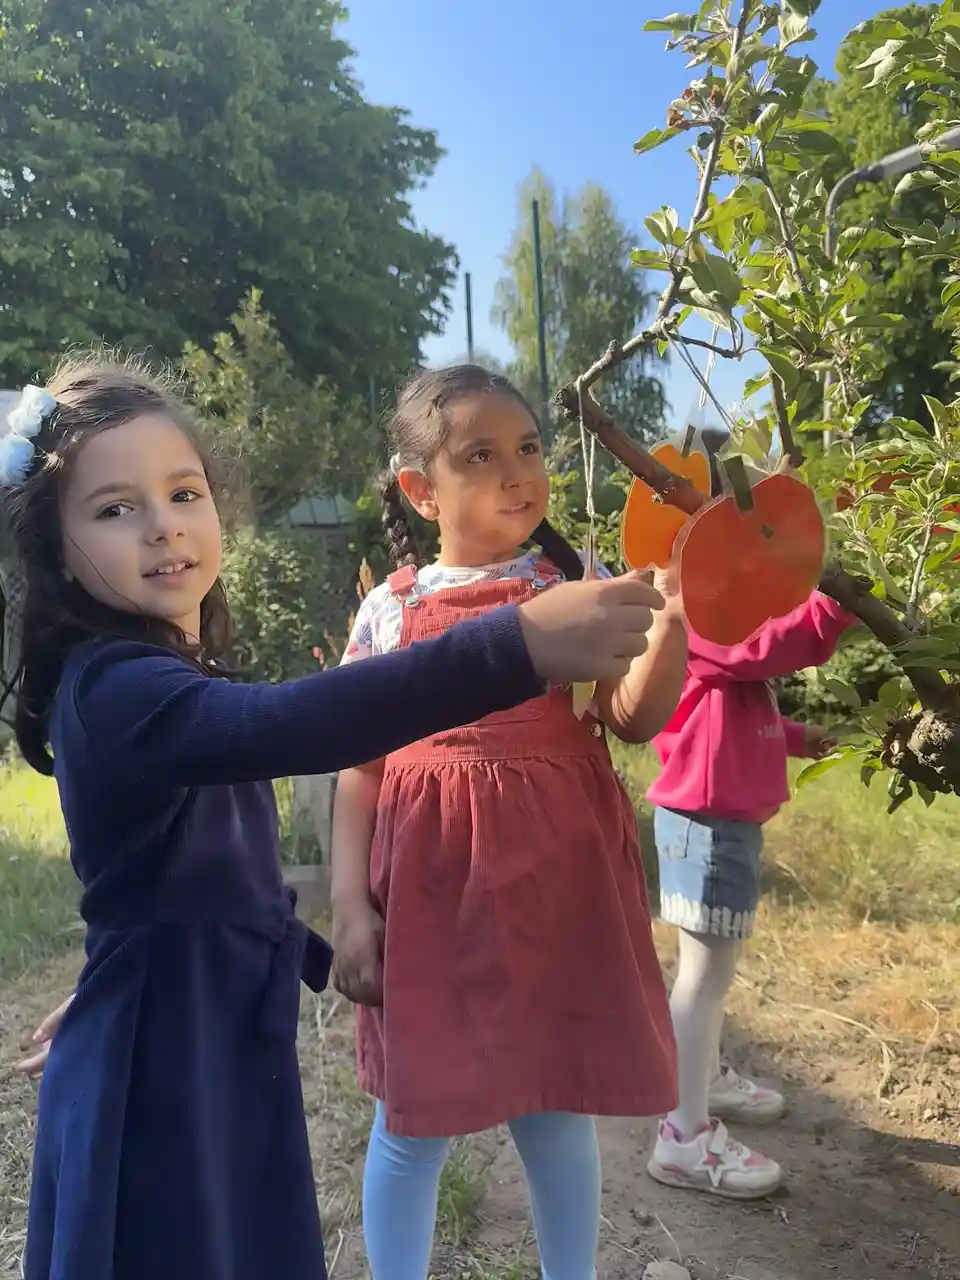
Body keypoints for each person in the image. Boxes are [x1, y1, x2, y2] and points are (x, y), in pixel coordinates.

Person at [2, 356, 668, 1280]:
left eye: (184, 492)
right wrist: (515, 644)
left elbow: (169, 878)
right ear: (53, 541)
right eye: (114, 508)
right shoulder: (115, 688)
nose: (163, 526)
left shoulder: (156, 672)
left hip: (199, 1021)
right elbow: (299, 725)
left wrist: (127, 973)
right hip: (164, 1064)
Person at [330, 364, 687, 1280]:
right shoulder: (391, 609)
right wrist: (348, 905)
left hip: (554, 893)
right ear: (421, 489)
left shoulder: (578, 583)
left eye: (528, 447)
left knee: (556, 1107)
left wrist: (678, 611)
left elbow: (631, 718)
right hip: (428, 900)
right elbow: (359, 767)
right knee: (412, 1121)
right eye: (481, 455)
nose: (517, 470)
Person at [645, 551, 857, 1198]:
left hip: (712, 817)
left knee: (704, 974)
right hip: (709, 822)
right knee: (706, 977)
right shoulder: (695, 625)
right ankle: (682, 1137)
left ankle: (703, 1080)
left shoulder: (710, 638)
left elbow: (728, 706)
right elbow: (770, 647)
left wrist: (796, 736)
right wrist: (838, 599)